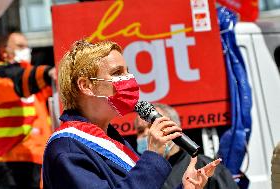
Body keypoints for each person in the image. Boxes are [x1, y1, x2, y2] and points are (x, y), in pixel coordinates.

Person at [43, 40, 221, 189]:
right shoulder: (66, 149)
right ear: (86, 86)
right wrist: (154, 156)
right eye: (117, 73)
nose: (129, 79)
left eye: (127, 71)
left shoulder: (113, 140)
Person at [0, 32, 55, 188]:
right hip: (8, 159)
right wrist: (47, 72)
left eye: (27, 46)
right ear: (4, 52)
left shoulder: (32, 77)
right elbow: (16, 82)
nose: (26, 50)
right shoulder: (1, 76)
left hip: (36, 157)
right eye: (20, 46)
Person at [134, 103, 239, 189]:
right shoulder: (137, 173)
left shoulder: (206, 168)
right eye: (140, 130)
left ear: (175, 127)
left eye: (154, 126)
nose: (148, 133)